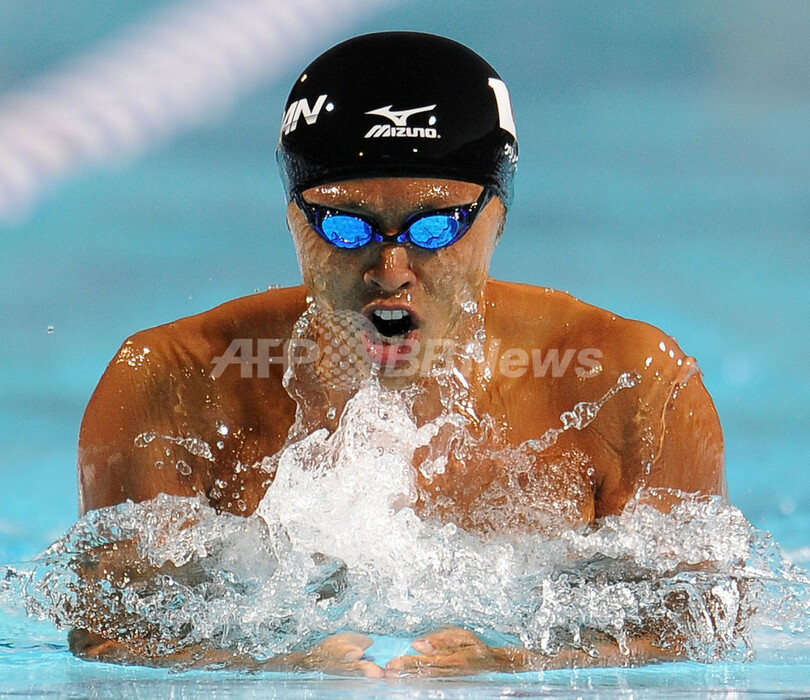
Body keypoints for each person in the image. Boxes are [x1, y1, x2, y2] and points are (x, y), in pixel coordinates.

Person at [71, 32, 726, 676]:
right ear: (293, 214)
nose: (389, 268)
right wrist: (265, 667)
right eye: (345, 225)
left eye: (437, 225)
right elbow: (106, 633)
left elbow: (701, 621)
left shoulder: (628, 389)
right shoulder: (170, 386)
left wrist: (530, 664)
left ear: (499, 211)